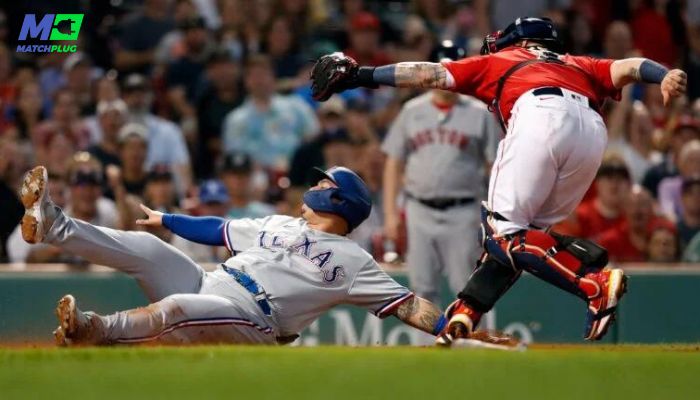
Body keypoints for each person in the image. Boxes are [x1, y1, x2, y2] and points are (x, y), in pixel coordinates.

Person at [310, 16, 687, 342]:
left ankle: (593, 282)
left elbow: (427, 73)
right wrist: (664, 74)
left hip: (539, 114)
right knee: (518, 240)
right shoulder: (579, 62)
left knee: (505, 235)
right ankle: (466, 313)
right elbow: (630, 65)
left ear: (519, 42)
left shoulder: (506, 59)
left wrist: (361, 75)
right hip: (591, 132)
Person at [20, 165, 446, 346]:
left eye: (322, 184)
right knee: (150, 250)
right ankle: (53, 224)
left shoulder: (354, 261)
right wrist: (169, 219)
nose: (311, 187)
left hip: (255, 318)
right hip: (212, 282)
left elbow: (407, 305)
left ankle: (95, 329)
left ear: (337, 199)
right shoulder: (282, 223)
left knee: (177, 308)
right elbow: (218, 230)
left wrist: (456, 325)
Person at [381, 42, 499, 306]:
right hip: (418, 209)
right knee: (422, 286)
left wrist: (496, 214)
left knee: (467, 287)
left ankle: (471, 345)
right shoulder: (412, 111)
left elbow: (496, 167)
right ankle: (428, 347)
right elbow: (393, 163)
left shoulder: (479, 113)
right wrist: (390, 214)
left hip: (464, 210)